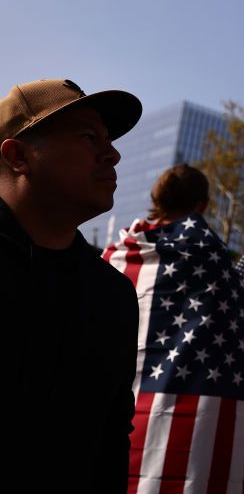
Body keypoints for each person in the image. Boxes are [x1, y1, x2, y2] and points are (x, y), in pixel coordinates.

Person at [0, 78, 142, 492]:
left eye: (109, 139)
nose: (112, 153)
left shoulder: (113, 294)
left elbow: (111, 439)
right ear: (19, 155)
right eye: (87, 136)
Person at [104, 163, 244, 491]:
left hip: (110, 417)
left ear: (156, 199)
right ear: (202, 205)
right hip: (189, 436)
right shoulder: (216, 267)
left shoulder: (118, 257)